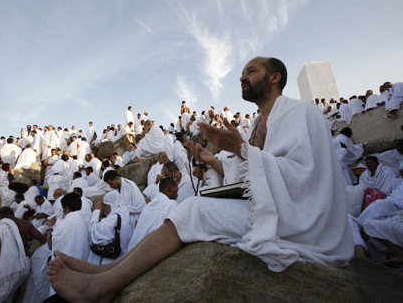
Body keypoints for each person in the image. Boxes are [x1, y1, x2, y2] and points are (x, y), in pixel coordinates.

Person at [47, 57, 353, 302]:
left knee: (193, 209)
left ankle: (100, 288)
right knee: (192, 206)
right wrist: (214, 159)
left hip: (298, 218)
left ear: (275, 77)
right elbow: (250, 177)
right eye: (242, 73)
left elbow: (306, 175)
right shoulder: (259, 122)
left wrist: (242, 150)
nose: (242, 77)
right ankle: (107, 271)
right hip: (271, 207)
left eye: (251, 71)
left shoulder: (301, 112)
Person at [0, 207, 46, 303]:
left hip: (7, 266)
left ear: (2, 215)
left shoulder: (2, 225)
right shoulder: (26, 224)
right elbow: (43, 239)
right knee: (11, 293)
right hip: (24, 262)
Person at [128, 178, 178, 251]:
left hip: (133, 249)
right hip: (147, 251)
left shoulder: (148, 206)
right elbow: (164, 230)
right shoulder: (171, 203)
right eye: (177, 190)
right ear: (170, 187)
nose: (177, 194)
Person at [88, 191, 133, 265]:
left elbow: (93, 231)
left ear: (109, 205)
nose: (105, 208)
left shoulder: (113, 219)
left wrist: (96, 210)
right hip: (122, 256)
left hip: (109, 259)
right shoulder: (126, 214)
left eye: (105, 205)